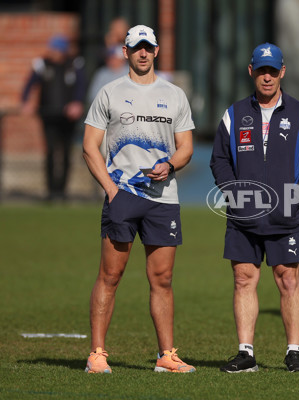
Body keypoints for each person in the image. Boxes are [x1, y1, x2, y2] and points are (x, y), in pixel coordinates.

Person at [82, 25, 195, 373]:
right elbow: (89, 146)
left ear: (157, 51)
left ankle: (166, 356)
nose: (143, 53)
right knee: (110, 276)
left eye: (148, 47)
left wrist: (170, 164)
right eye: (136, 48)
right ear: (125, 52)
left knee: (162, 279)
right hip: (123, 197)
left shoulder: (175, 95)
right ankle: (97, 354)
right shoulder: (109, 93)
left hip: (163, 200)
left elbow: (186, 147)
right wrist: (111, 190)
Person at [210, 43, 299, 373]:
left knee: (288, 279)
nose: (267, 77)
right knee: (243, 279)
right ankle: (246, 353)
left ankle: (294, 352)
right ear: (251, 71)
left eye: (272, 71)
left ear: (282, 72)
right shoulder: (233, 115)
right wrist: (234, 193)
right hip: (242, 217)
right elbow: (219, 159)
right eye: (261, 70)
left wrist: (294, 198)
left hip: (285, 216)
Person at [21, 35, 86, 201]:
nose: (54, 52)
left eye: (57, 49)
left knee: (65, 153)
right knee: (50, 151)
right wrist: (26, 101)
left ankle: (62, 191)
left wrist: (77, 103)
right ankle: (50, 191)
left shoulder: (74, 64)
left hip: (67, 117)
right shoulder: (42, 65)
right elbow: (29, 85)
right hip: (48, 115)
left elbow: (81, 86)